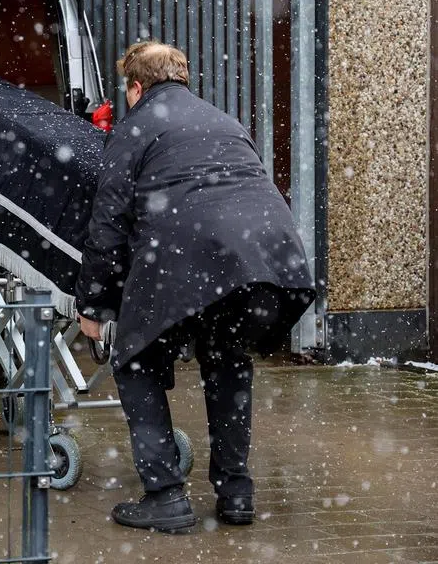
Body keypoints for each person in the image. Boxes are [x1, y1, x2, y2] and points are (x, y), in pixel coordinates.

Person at [75, 41, 315, 534]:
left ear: (135, 87)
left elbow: (107, 222)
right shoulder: (225, 121)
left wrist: (94, 304)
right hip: (269, 257)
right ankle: (236, 494)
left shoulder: (135, 126)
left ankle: (165, 495)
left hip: (190, 257)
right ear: (182, 78)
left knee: (134, 360)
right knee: (227, 359)